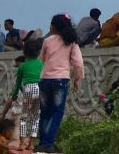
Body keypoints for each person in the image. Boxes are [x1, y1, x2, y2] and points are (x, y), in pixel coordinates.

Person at [37, 14, 83, 153]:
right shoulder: (70, 42)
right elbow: (78, 62)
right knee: (56, 112)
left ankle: (43, 142)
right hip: (60, 80)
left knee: (44, 112)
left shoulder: (48, 41)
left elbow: (42, 58)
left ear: (54, 27)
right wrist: (77, 79)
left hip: (45, 80)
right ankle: (48, 143)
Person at [3, 38, 43, 151]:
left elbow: (17, 85)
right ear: (38, 52)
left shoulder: (22, 66)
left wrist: (15, 96)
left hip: (27, 89)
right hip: (38, 89)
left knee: (24, 117)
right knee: (35, 118)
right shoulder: (41, 64)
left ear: (24, 53)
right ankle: (31, 143)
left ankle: (21, 143)